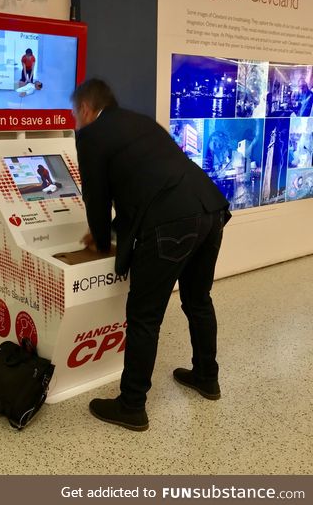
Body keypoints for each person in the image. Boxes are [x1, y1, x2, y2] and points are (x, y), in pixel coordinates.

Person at [71, 79, 231, 432]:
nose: (76, 120)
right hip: (209, 209)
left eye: (75, 113)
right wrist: (113, 231)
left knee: (144, 316)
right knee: (198, 299)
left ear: (85, 109)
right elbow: (144, 184)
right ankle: (207, 377)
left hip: (172, 222)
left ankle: (131, 405)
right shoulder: (140, 122)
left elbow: (96, 198)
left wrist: (99, 240)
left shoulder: (91, 136)